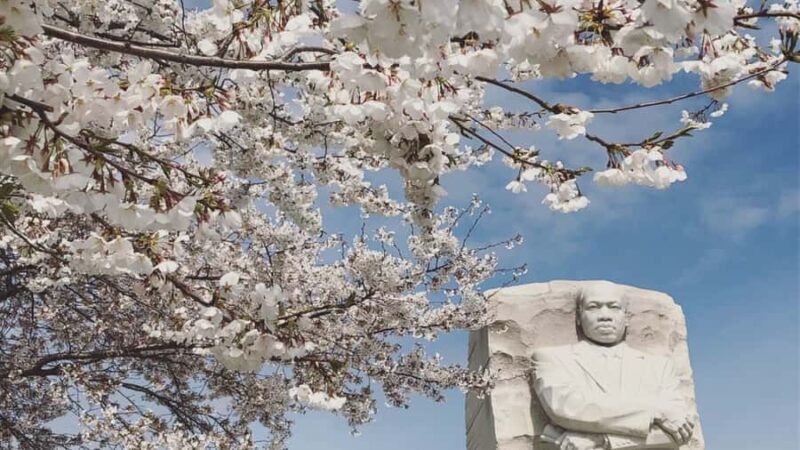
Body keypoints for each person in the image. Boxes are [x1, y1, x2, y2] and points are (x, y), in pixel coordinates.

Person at [531, 282, 695, 450]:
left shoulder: (659, 367)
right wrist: (655, 412)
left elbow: (679, 432)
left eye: (613, 307)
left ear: (626, 317)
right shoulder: (552, 359)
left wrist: (602, 440)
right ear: (578, 317)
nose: (604, 315)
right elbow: (567, 408)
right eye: (593, 307)